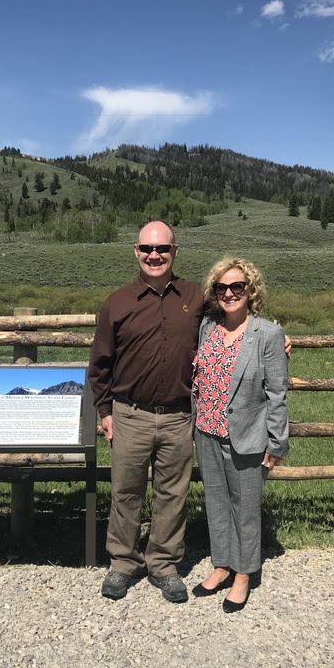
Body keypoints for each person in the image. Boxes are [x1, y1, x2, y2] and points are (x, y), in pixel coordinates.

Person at [88, 220, 204, 603]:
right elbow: (101, 364)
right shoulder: (117, 303)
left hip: (178, 415)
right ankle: (122, 563)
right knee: (126, 491)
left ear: (175, 252)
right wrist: (105, 411)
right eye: (147, 249)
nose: (155, 255)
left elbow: (237, 318)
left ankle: (164, 564)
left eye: (163, 249)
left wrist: (273, 334)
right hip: (129, 414)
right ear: (135, 252)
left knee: (174, 494)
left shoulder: (197, 297)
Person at [191, 257, 289, 613]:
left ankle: (245, 573)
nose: (230, 293)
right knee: (217, 503)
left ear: (251, 290)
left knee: (245, 508)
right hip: (207, 430)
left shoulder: (268, 333)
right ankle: (221, 564)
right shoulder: (207, 326)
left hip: (247, 435)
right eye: (222, 288)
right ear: (214, 293)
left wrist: (277, 442)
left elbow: (277, 393)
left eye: (237, 287)